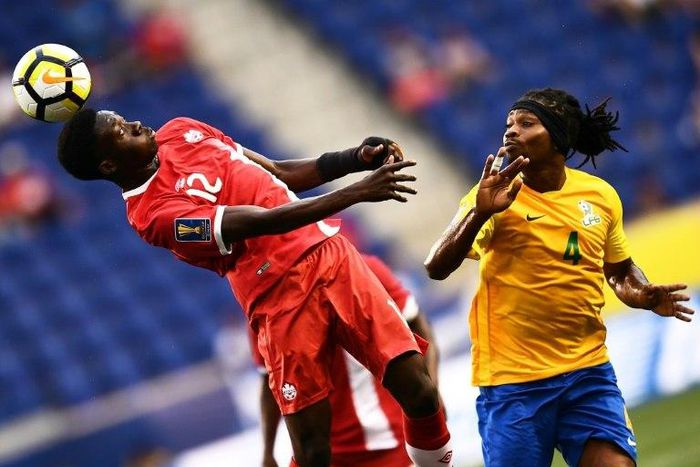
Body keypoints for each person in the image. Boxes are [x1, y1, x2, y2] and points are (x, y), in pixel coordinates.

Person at [56, 109, 453, 467]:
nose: (136, 123)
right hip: (278, 297)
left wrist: (354, 159)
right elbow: (262, 221)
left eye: (125, 118)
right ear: (109, 164)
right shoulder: (153, 217)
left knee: (419, 392)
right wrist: (356, 193)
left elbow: (279, 173)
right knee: (313, 451)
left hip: (330, 254)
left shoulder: (182, 129)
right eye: (122, 131)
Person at [424, 87, 694, 467]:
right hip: (512, 385)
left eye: (525, 123)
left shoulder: (599, 196)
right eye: (508, 124)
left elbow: (618, 270)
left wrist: (642, 292)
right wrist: (479, 214)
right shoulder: (491, 195)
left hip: (587, 374)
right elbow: (435, 265)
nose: (510, 132)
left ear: (556, 137)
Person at [248, 253, 440, 467]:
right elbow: (269, 380)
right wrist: (267, 452)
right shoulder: (263, 303)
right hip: (325, 453)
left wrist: (433, 393)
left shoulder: (363, 267)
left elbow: (419, 326)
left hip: (395, 442)